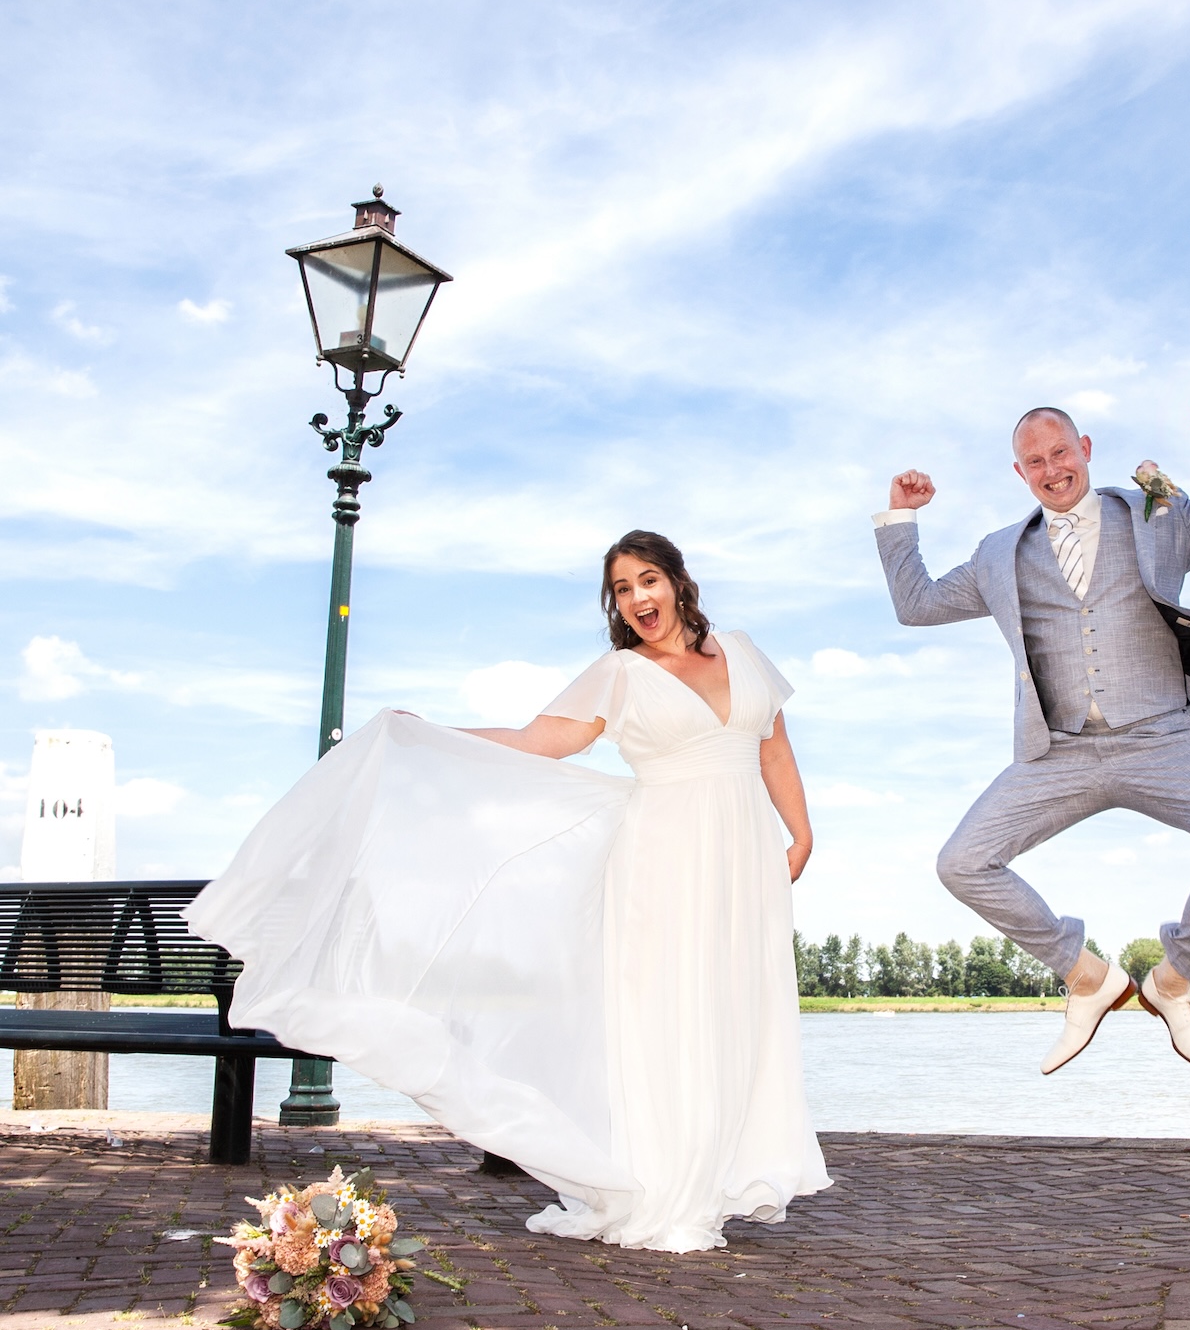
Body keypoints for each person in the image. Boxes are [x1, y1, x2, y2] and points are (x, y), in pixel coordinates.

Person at [186, 529, 829, 1253]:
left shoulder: (741, 652)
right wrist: (433, 733)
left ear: (680, 582)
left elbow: (773, 743)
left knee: (735, 1005)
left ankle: (722, 1170)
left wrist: (800, 835)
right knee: (667, 1013)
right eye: (622, 589)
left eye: (648, 579)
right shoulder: (619, 673)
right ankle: (666, 1184)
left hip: (743, 855)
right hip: (663, 856)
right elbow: (541, 741)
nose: (638, 598)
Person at [873, 399, 1190, 1076]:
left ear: (1085, 447)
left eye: (1060, 452)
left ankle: (1173, 984)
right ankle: (1088, 979)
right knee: (962, 862)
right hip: (1059, 750)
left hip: (1162, 736)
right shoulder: (999, 553)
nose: (1051, 468)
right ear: (1019, 471)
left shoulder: (1158, 516)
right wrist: (902, 516)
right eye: (1035, 461)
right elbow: (916, 605)